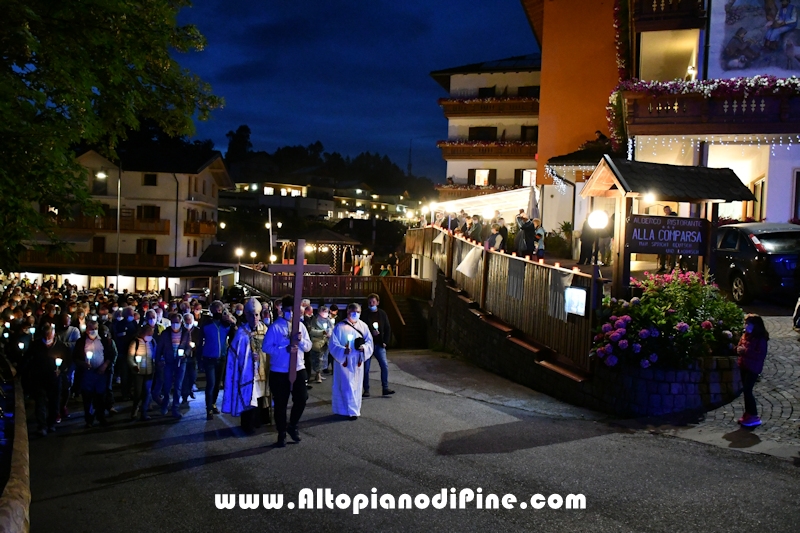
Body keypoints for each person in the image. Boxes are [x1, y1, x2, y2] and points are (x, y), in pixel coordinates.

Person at [262, 295, 312, 447]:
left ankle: (293, 425)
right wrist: (285, 349)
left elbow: (308, 346)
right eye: (288, 310)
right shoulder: (275, 327)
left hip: (298, 368)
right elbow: (266, 347)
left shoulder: (301, 326)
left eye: (294, 310)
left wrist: (301, 341)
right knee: (281, 404)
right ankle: (281, 432)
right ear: (283, 310)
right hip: (280, 370)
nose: (291, 313)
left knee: (302, 398)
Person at [224, 297, 271, 434]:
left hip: (263, 369)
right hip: (248, 373)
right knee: (249, 397)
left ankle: (259, 421)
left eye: (257, 315)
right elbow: (236, 354)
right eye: (251, 315)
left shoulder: (265, 329)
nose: (255, 318)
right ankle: (247, 425)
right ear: (246, 315)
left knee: (261, 396)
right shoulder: (241, 333)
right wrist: (250, 357)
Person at [329, 303, 374, 419]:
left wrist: (363, 348)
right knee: (346, 385)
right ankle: (344, 409)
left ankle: (354, 409)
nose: (355, 314)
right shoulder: (339, 327)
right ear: (348, 312)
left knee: (356, 385)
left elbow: (369, 342)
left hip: (357, 360)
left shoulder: (363, 326)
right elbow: (333, 344)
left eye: (357, 312)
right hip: (344, 361)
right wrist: (343, 350)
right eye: (353, 312)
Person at [29, 318, 70, 436]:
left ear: (54, 335)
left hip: (54, 379)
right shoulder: (36, 345)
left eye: (49, 336)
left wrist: (61, 370)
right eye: (45, 336)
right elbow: (28, 359)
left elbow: (67, 361)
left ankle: (51, 423)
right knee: (40, 403)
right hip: (39, 378)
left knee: (54, 402)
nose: (47, 339)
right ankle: (42, 426)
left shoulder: (61, 346)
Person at [75, 320, 113, 428]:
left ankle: (101, 416)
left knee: (100, 396)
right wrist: (83, 364)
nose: (94, 331)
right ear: (87, 330)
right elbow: (75, 358)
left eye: (95, 329)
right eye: (91, 329)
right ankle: (89, 419)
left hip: (101, 373)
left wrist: (105, 365)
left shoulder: (105, 341)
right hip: (87, 374)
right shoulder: (81, 342)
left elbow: (111, 355)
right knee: (87, 397)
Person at [200, 300, 234, 420]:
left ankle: (213, 403)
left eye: (220, 310)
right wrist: (199, 359)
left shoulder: (225, 325)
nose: (218, 312)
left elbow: (235, 335)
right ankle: (208, 408)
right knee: (211, 383)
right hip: (209, 358)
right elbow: (200, 342)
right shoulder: (206, 324)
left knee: (217, 384)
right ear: (211, 311)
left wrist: (231, 322)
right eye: (216, 310)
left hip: (222, 358)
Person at [155, 313, 191, 418]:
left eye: (177, 322)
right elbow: (160, 347)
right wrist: (158, 360)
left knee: (178, 386)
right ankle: (165, 405)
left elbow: (188, 346)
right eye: (173, 322)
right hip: (169, 361)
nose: (175, 324)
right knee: (167, 385)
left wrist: (185, 354)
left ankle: (175, 408)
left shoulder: (186, 332)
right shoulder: (165, 333)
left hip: (181, 362)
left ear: (181, 322)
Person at [737, 314, 769, 428]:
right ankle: (748, 413)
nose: (746, 326)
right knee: (745, 391)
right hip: (744, 365)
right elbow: (740, 344)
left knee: (748, 390)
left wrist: (745, 351)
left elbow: (760, 354)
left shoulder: (760, 338)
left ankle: (754, 415)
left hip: (753, 368)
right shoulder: (746, 335)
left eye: (748, 323)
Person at [361, 295, 393, 398]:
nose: (371, 304)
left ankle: (385, 387)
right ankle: (366, 389)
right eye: (370, 302)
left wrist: (385, 342)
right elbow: (361, 329)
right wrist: (371, 333)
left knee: (384, 366)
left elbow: (388, 328)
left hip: (379, 344)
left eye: (373, 302)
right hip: (368, 345)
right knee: (366, 368)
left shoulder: (382, 314)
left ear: (377, 303)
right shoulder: (364, 314)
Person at [128, 324, 156, 421]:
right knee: (138, 392)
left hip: (149, 372)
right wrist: (134, 366)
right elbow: (130, 358)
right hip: (138, 372)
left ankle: (143, 412)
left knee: (147, 392)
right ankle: (135, 409)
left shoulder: (152, 342)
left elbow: (155, 354)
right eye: (148, 334)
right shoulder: (135, 342)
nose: (150, 336)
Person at [181, 312, 201, 405]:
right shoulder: (182, 331)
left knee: (193, 376)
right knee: (185, 377)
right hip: (184, 357)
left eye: (190, 321)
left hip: (194, 356)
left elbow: (200, 342)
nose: (188, 324)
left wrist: (195, 346)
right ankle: (184, 395)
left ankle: (190, 390)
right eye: (186, 322)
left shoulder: (197, 331)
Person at [308, 305, 332, 383]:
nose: (325, 313)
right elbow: (311, 331)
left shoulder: (328, 320)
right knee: (318, 358)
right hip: (317, 341)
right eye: (324, 311)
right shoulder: (315, 320)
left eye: (326, 311)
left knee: (324, 358)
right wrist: (322, 332)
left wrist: (329, 333)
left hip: (326, 341)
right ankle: (317, 373)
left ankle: (320, 372)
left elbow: (332, 328)